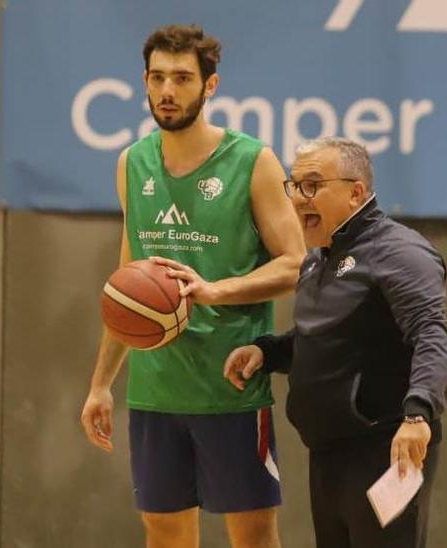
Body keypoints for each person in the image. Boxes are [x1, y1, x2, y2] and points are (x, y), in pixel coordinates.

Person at [78, 24, 305, 548]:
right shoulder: (132, 163)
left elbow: (295, 265)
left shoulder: (253, 161)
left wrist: (215, 290)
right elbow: (126, 287)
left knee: (252, 536)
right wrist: (99, 384)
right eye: (157, 77)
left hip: (229, 388)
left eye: (182, 78)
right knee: (164, 533)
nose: (167, 91)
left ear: (210, 86)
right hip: (156, 390)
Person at [223, 137, 447, 548]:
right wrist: (269, 351)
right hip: (328, 453)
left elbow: (431, 334)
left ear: (356, 192)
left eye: (312, 185)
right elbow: (331, 338)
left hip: (385, 452)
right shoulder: (318, 257)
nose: (298, 199)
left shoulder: (400, 253)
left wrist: (417, 416)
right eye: (294, 185)